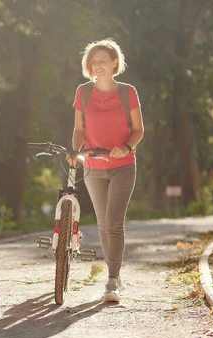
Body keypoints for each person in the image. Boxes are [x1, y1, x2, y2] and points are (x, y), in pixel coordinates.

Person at [69, 38, 144, 302]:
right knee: (102, 224)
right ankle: (115, 275)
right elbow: (80, 129)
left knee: (114, 223)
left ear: (114, 63)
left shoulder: (127, 92)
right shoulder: (83, 92)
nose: (97, 66)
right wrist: (76, 150)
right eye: (93, 61)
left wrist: (126, 147)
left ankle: (112, 280)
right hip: (92, 167)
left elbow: (138, 130)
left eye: (102, 61)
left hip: (122, 167)